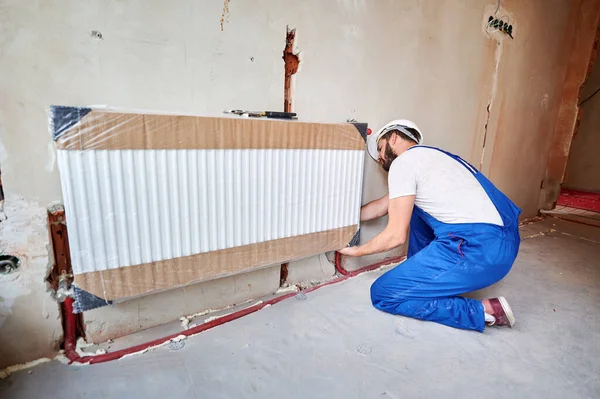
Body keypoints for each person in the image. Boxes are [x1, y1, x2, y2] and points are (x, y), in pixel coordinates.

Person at [339, 119, 521, 332]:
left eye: (379, 148)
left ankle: (483, 311)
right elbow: (382, 206)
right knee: (412, 206)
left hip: (476, 251)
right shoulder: (437, 159)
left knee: (384, 293)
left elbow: (395, 236)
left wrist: (356, 251)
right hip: (505, 246)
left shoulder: (403, 163)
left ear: (394, 137)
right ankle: (427, 278)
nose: (379, 158)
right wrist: (342, 217)